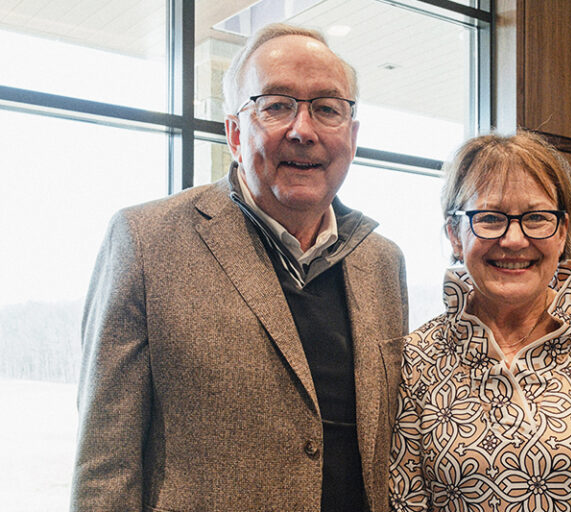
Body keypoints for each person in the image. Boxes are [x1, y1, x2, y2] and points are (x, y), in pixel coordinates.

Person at [71, 23, 408, 512]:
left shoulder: (380, 261)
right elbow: (105, 464)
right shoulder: (147, 241)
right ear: (234, 132)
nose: (303, 130)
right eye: (276, 106)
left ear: (351, 137)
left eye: (327, 109)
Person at [388, 131, 571, 511]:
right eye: (490, 218)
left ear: (561, 233)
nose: (513, 239)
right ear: (455, 235)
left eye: (537, 218)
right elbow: (405, 500)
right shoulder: (417, 357)